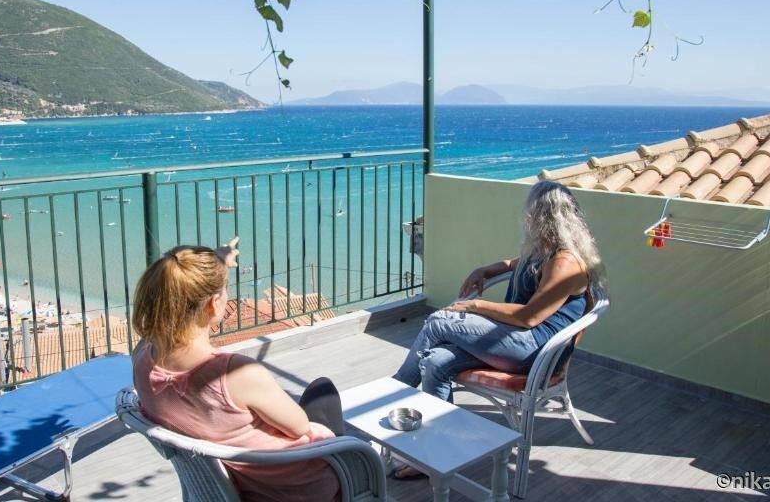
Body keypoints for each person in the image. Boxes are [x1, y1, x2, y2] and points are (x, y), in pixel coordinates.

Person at [391, 181, 603, 478]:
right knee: (436, 361)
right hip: (514, 341)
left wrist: (476, 306)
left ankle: (394, 391)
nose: (526, 217)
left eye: (531, 211)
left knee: (439, 321)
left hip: (532, 351)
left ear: (543, 217)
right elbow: (516, 264)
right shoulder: (547, 252)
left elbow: (529, 317)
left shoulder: (565, 263)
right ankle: (439, 449)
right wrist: (488, 269)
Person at [131, 237, 343, 502]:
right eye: (226, 291)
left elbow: (174, 289)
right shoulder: (234, 374)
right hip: (289, 489)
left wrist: (217, 262)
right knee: (323, 393)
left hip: (220, 488)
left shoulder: (141, 360)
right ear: (213, 304)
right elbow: (299, 427)